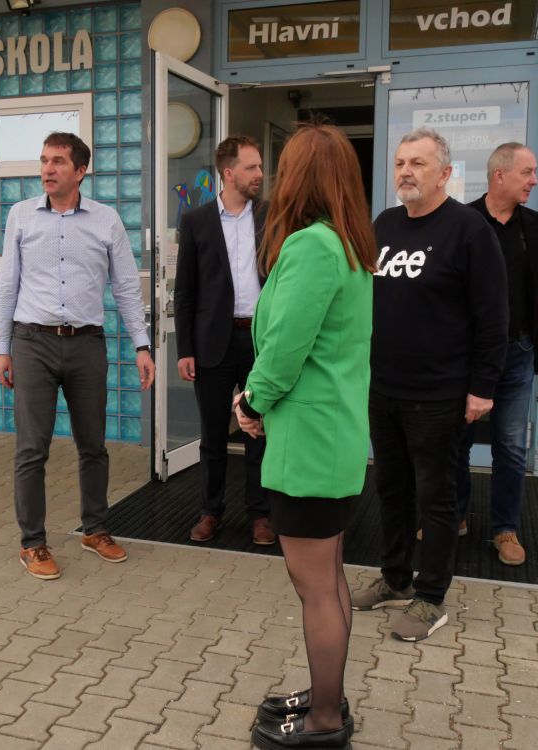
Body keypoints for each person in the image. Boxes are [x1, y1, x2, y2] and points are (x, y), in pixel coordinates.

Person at [233, 123, 377, 750]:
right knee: (330, 577)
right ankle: (327, 695)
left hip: (310, 445)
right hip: (332, 439)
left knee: (315, 586)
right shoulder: (349, 245)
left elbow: (285, 348)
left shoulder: (312, 246)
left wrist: (250, 401)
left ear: (299, 178)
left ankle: (324, 720)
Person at [351, 128, 508, 642]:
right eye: (400, 162)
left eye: (417, 163)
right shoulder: (385, 224)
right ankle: (395, 579)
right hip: (384, 388)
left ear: (444, 174)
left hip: (439, 394)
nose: (405, 171)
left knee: (435, 499)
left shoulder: (469, 230)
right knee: (390, 489)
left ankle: (431, 597)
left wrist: (482, 387)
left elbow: (493, 317)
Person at [0, 132, 154, 581]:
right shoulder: (21, 215)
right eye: (44, 160)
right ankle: (33, 542)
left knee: (93, 445)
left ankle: (95, 530)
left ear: (81, 171)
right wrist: (2, 349)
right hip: (32, 342)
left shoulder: (106, 220)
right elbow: (8, 284)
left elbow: (125, 286)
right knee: (32, 449)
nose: (48, 169)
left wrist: (141, 345)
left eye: (59, 161)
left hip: (86, 344)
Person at [458, 143, 538, 566]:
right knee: (455, 442)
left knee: (512, 447)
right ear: (500, 175)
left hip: (517, 352)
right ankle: (454, 516)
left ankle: (505, 529)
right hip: (465, 356)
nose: (534, 180)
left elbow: (535, 292)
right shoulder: (460, 222)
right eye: (527, 172)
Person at [175, 135, 273, 546]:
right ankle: (210, 511)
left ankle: (261, 515)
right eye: (252, 167)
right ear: (229, 173)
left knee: (259, 432)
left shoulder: (271, 216)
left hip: (260, 342)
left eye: (259, 166)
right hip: (212, 343)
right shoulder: (196, 221)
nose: (259, 174)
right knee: (213, 434)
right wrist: (185, 349)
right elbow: (185, 290)